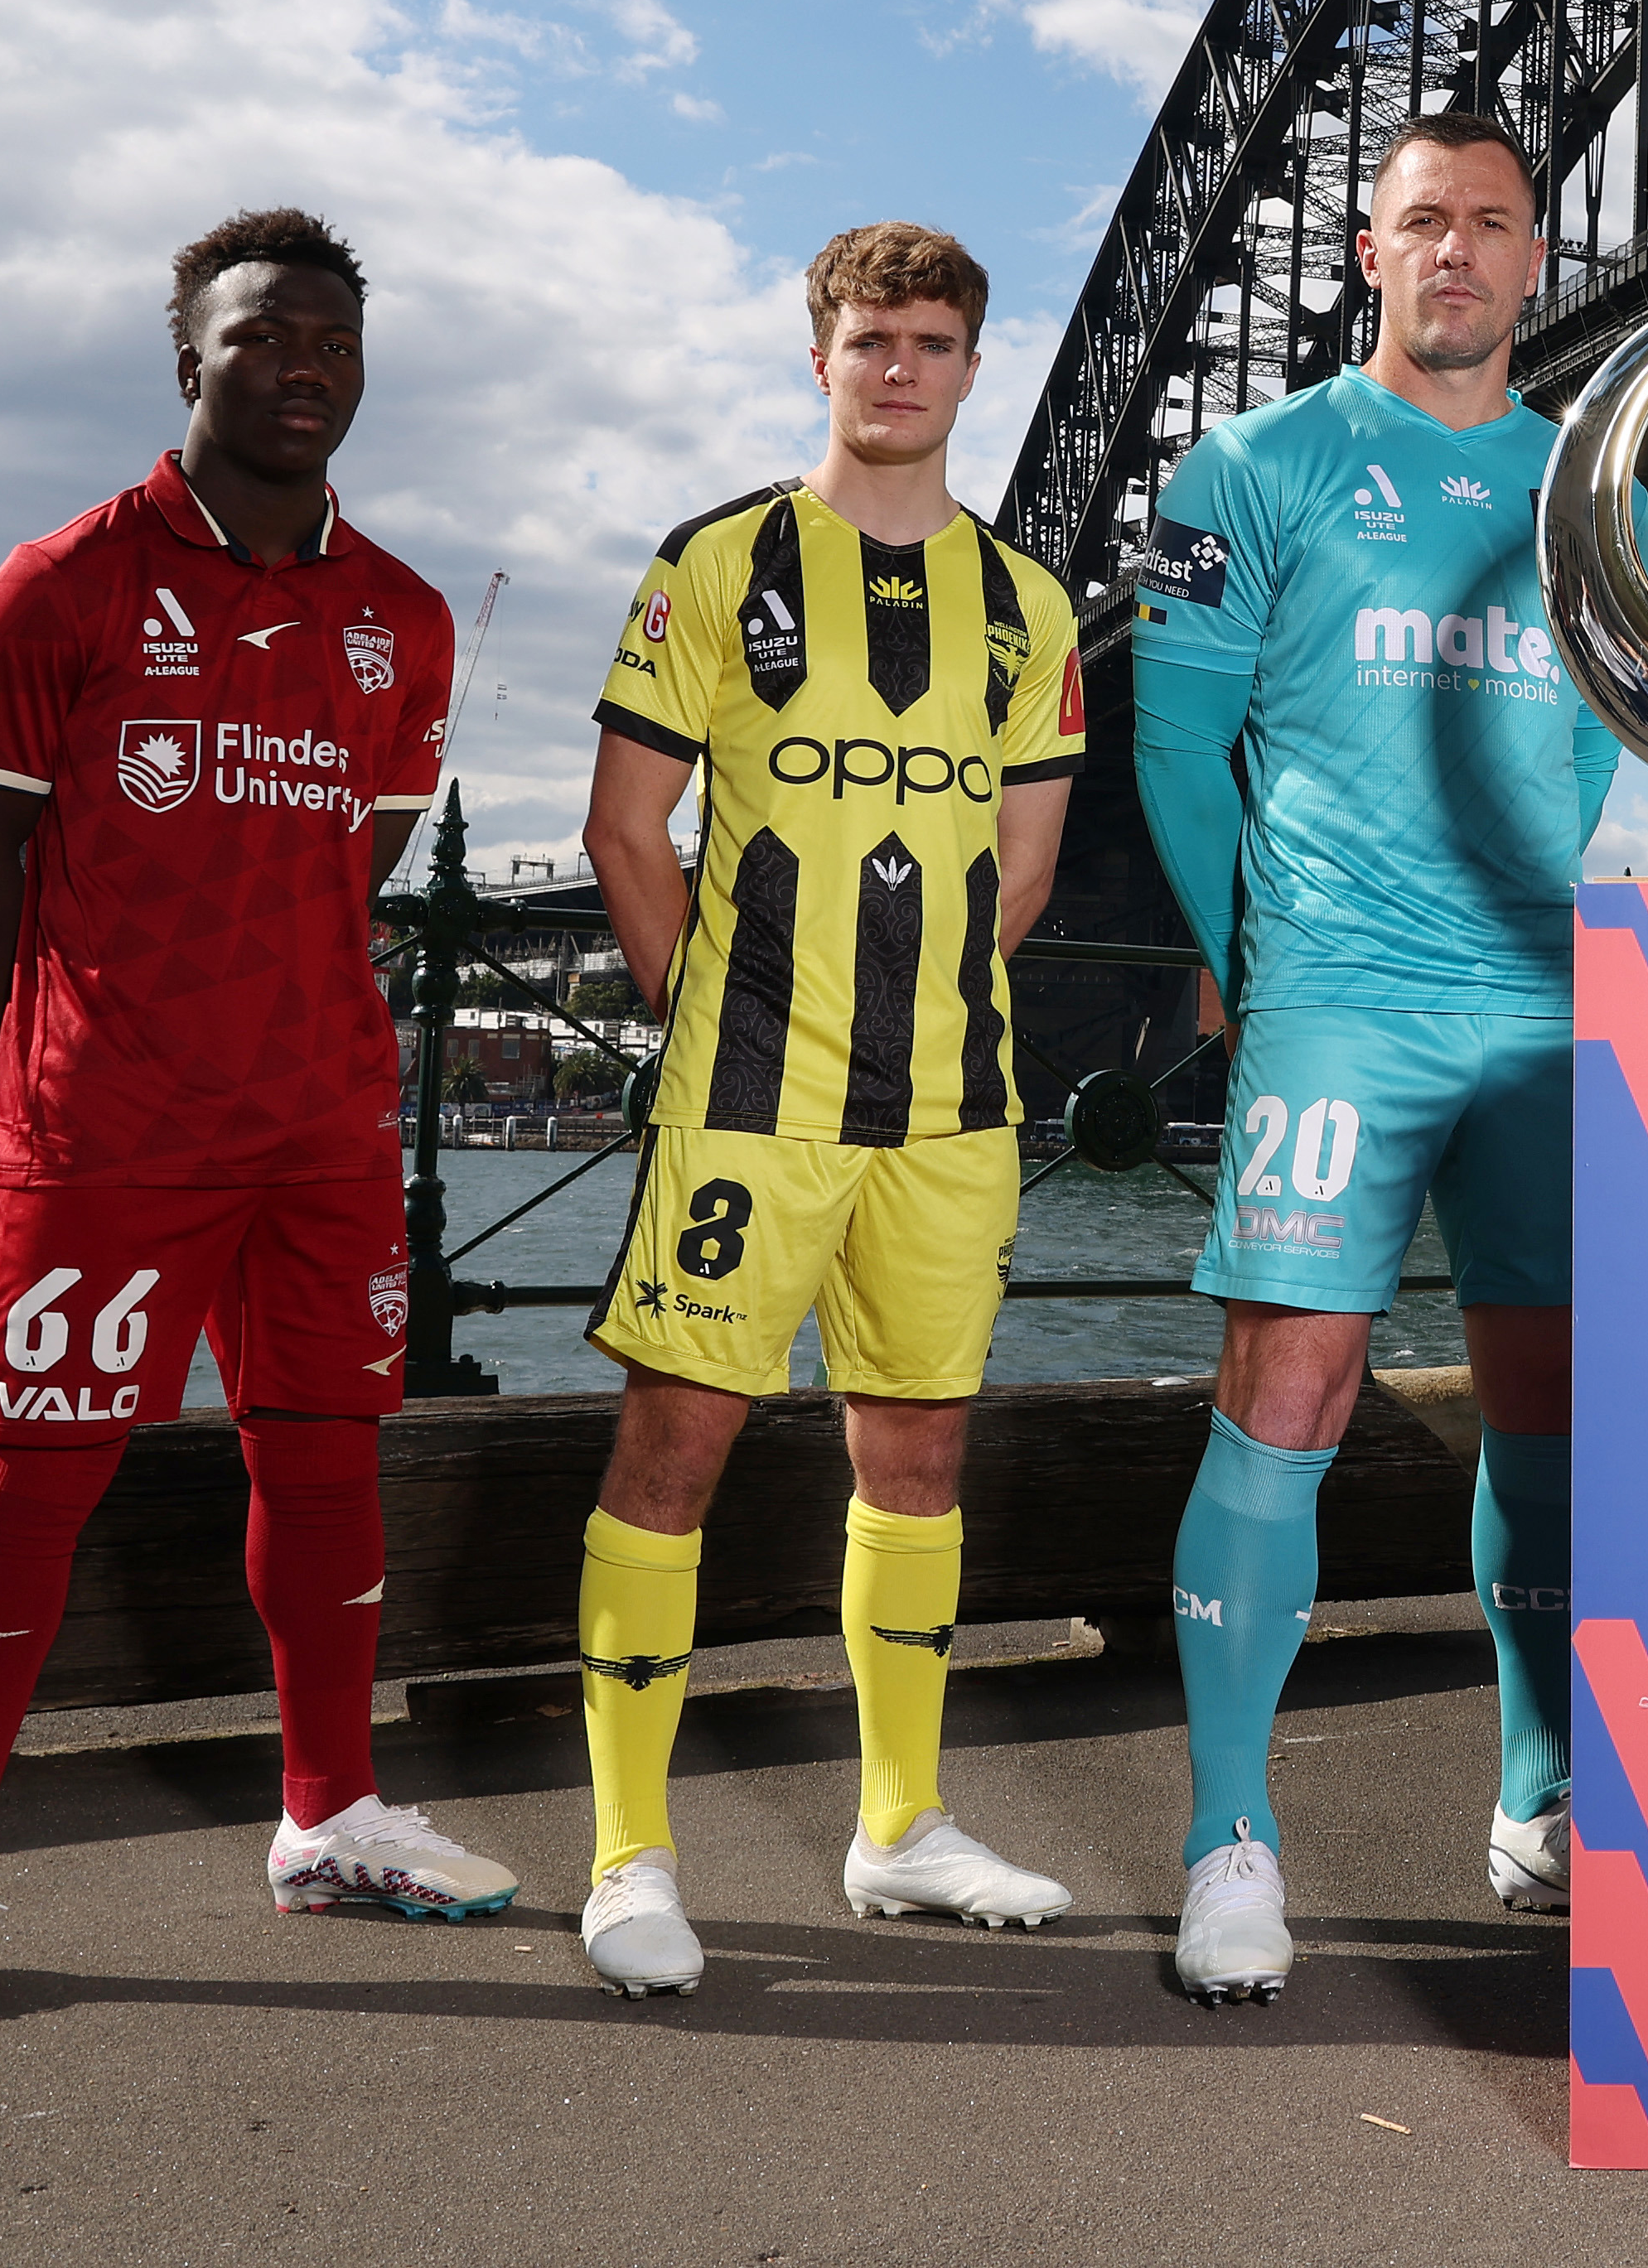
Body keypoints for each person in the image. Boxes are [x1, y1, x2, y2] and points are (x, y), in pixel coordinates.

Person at [0, 209, 506, 2033]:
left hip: (324, 1127)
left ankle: (328, 1817)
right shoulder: (63, 582)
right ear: (190, 357)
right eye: (264, 335)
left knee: (327, 1461)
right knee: (30, 1476)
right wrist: (64, 1039)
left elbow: (359, 856)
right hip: (113, 1130)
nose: (304, 367)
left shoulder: (406, 615)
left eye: (334, 341)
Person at [1127, 109, 1625, 2005]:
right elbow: (1178, 742)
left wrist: (1531, 896)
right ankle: (1227, 1839)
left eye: (1492, 222)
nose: (1457, 251)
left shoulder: (1595, 484)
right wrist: (1250, 957)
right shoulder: (1250, 463)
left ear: (1533, 256)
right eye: (1424, 219)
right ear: (1367, 248)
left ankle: (1539, 1794)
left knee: (1551, 1396)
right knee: (1292, 1385)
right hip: (1335, 994)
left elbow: (1600, 733)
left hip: (1539, 1004)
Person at [567, 221, 1083, 2000]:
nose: (900, 368)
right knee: (675, 1447)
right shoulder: (715, 560)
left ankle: (901, 1824)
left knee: (917, 1454)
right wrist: (709, 1012)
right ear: (821, 358)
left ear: (971, 368)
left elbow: (1023, 863)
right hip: (746, 1103)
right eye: (872, 339)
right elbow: (625, 828)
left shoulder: (1027, 602)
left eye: (932, 342)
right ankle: (628, 1854)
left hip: (948, 1111)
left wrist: (908, 1008)